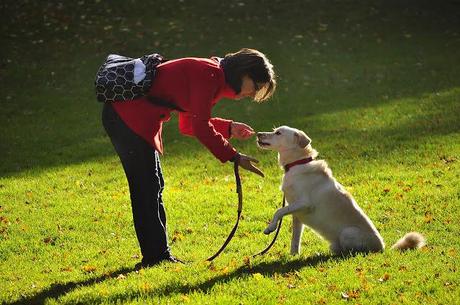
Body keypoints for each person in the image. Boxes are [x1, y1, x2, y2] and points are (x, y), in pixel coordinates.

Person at [102, 48, 276, 268]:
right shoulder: (209, 74)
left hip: (136, 119)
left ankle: (159, 254)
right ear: (244, 73)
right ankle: (156, 257)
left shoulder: (213, 76)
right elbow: (200, 127)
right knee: (146, 189)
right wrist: (234, 156)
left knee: (153, 186)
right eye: (256, 86)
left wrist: (229, 128)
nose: (252, 94)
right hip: (127, 117)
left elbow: (188, 124)